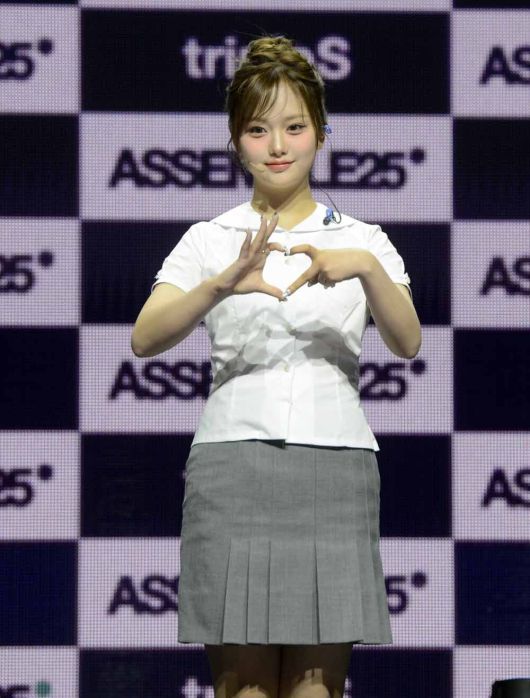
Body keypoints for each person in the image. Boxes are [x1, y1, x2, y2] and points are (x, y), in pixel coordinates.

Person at [131, 34, 421, 698]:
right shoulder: (210, 239)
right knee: (244, 688)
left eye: (294, 127)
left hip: (335, 465)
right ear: (237, 141)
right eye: (258, 130)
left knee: (318, 688)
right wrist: (220, 284)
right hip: (233, 466)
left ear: (321, 132)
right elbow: (145, 339)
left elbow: (407, 342)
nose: (278, 146)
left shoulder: (364, 239)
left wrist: (366, 269)